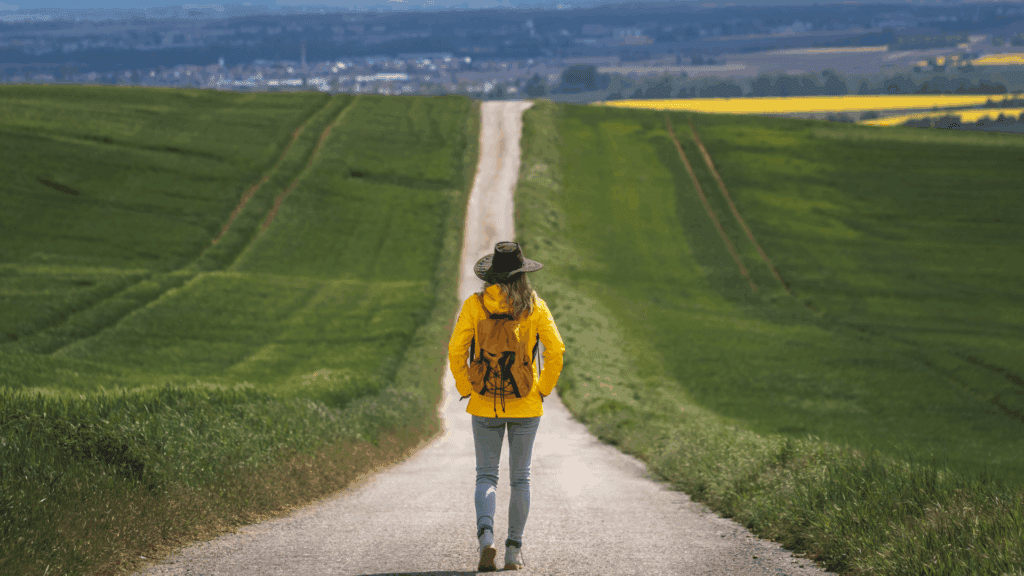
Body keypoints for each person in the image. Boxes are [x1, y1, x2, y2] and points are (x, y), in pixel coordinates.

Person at [448, 241, 565, 572]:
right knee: (521, 478)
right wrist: (542, 389)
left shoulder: (475, 305)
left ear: (491, 275)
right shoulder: (534, 306)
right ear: (522, 274)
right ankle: (513, 551)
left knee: (486, 475)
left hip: (484, 403)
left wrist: (466, 388)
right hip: (526, 404)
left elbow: (457, 351)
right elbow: (556, 350)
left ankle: (487, 539)